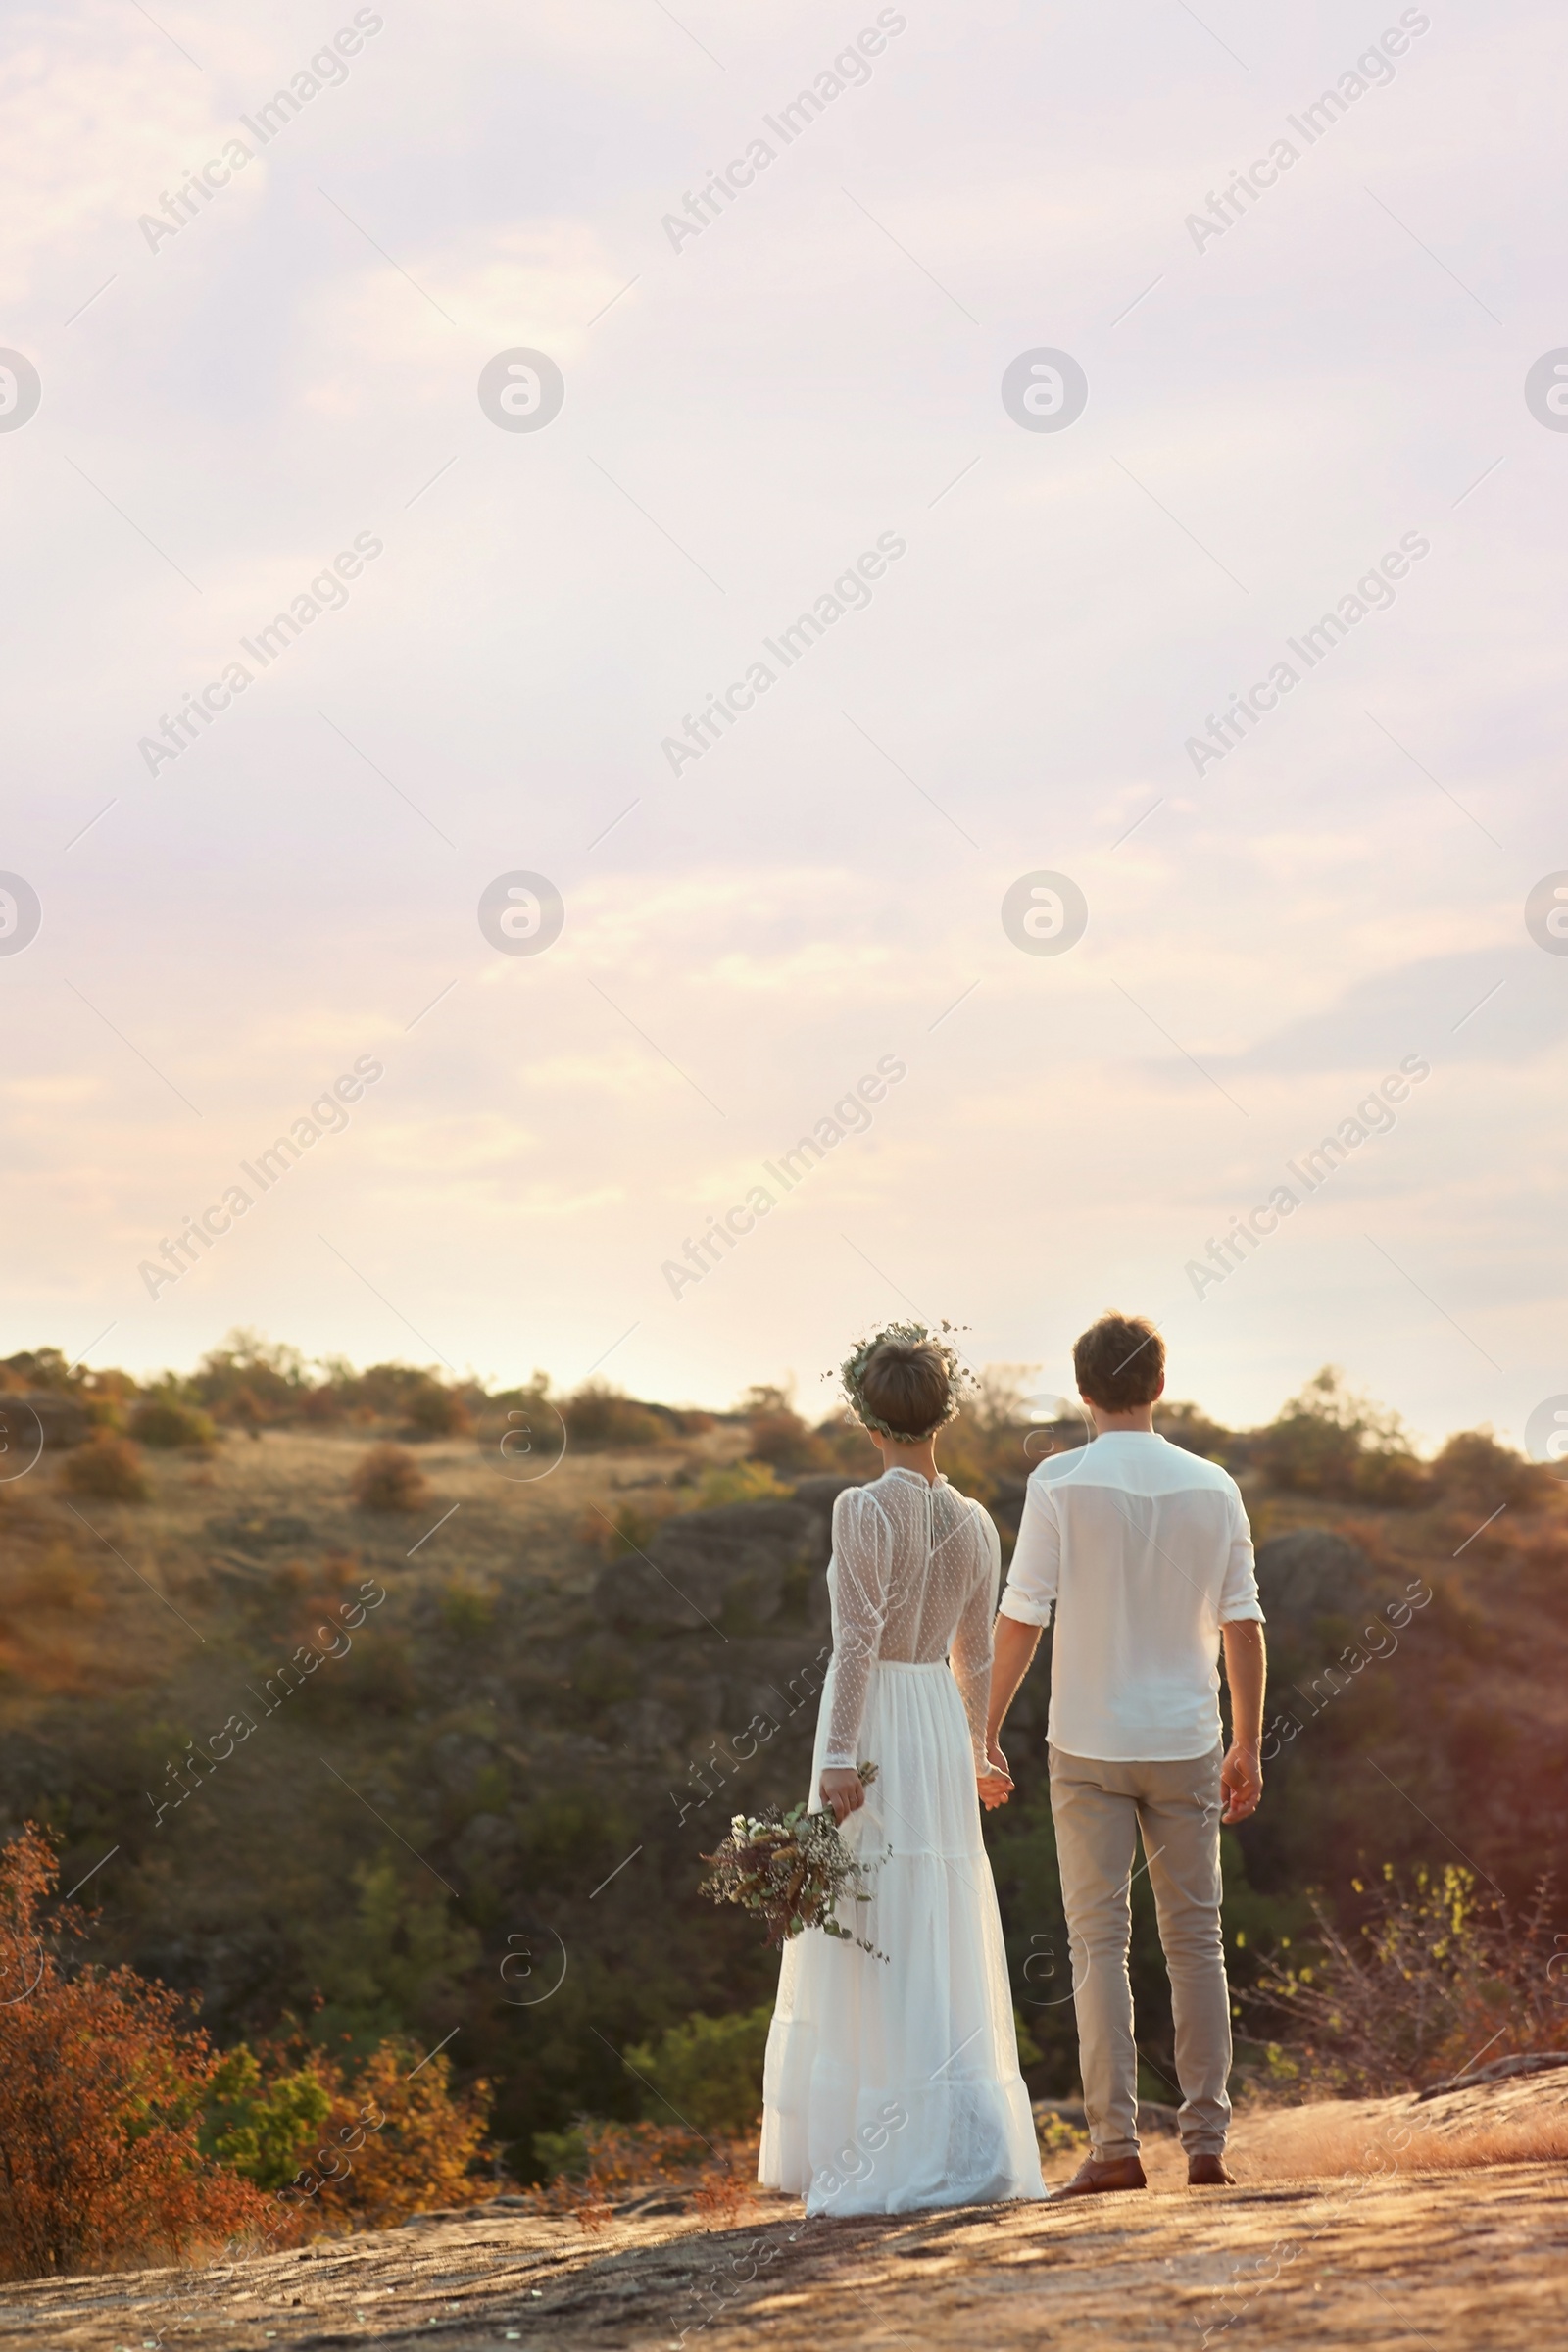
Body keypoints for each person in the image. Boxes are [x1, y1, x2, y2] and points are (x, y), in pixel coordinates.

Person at [759, 1323, 1044, 2215]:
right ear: (943, 1412)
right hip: (930, 1723)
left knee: (868, 1927)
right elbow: (975, 1659)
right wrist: (979, 1749)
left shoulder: (862, 1508)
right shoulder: (975, 1522)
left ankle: (882, 2153)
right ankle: (963, 2142)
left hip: (877, 1717)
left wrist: (840, 1757)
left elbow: (855, 1645)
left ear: (864, 1413)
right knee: (935, 1919)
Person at [986, 1311, 1266, 2197]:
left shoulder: (1059, 1483)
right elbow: (1244, 1622)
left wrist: (983, 1730)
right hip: (1187, 1741)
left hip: (1088, 1743)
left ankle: (1113, 2148)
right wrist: (1250, 1744)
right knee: (1196, 1942)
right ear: (1160, 1385)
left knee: (1096, 1944)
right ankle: (1207, 2144)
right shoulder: (1214, 1485)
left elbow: (1023, 1615)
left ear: (1083, 1391)